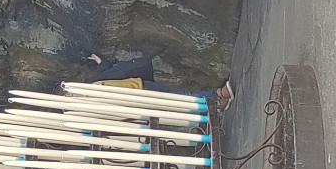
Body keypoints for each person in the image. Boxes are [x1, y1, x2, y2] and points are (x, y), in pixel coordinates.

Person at [83, 53, 232, 110]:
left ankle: (217, 100)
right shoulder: (90, 103)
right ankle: (216, 98)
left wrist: (100, 62)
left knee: (180, 95)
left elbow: (108, 76)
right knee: (180, 99)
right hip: (142, 98)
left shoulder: (88, 87)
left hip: (141, 84)